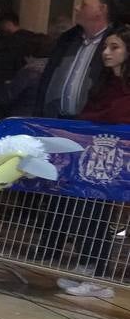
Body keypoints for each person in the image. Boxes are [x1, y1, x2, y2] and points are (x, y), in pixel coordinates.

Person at [55, 26, 130, 299]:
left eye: (115, 47)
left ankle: (99, 274)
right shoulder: (105, 84)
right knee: (84, 213)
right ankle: (87, 265)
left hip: (117, 164)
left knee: (100, 216)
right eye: (106, 47)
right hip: (92, 161)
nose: (106, 53)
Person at [37, 0, 119, 118]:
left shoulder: (117, 45)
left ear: (101, 10)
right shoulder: (67, 39)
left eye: (83, 5)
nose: (76, 8)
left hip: (92, 126)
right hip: (55, 120)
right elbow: (47, 80)